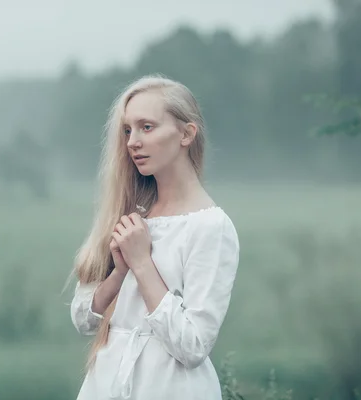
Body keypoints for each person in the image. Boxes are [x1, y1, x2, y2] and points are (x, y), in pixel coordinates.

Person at [68, 74, 240, 400]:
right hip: (105, 385)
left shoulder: (210, 227)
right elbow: (82, 318)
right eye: (128, 130)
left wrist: (142, 264)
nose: (132, 141)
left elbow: (193, 345)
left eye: (147, 127)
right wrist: (120, 272)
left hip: (170, 389)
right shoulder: (130, 213)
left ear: (186, 133)